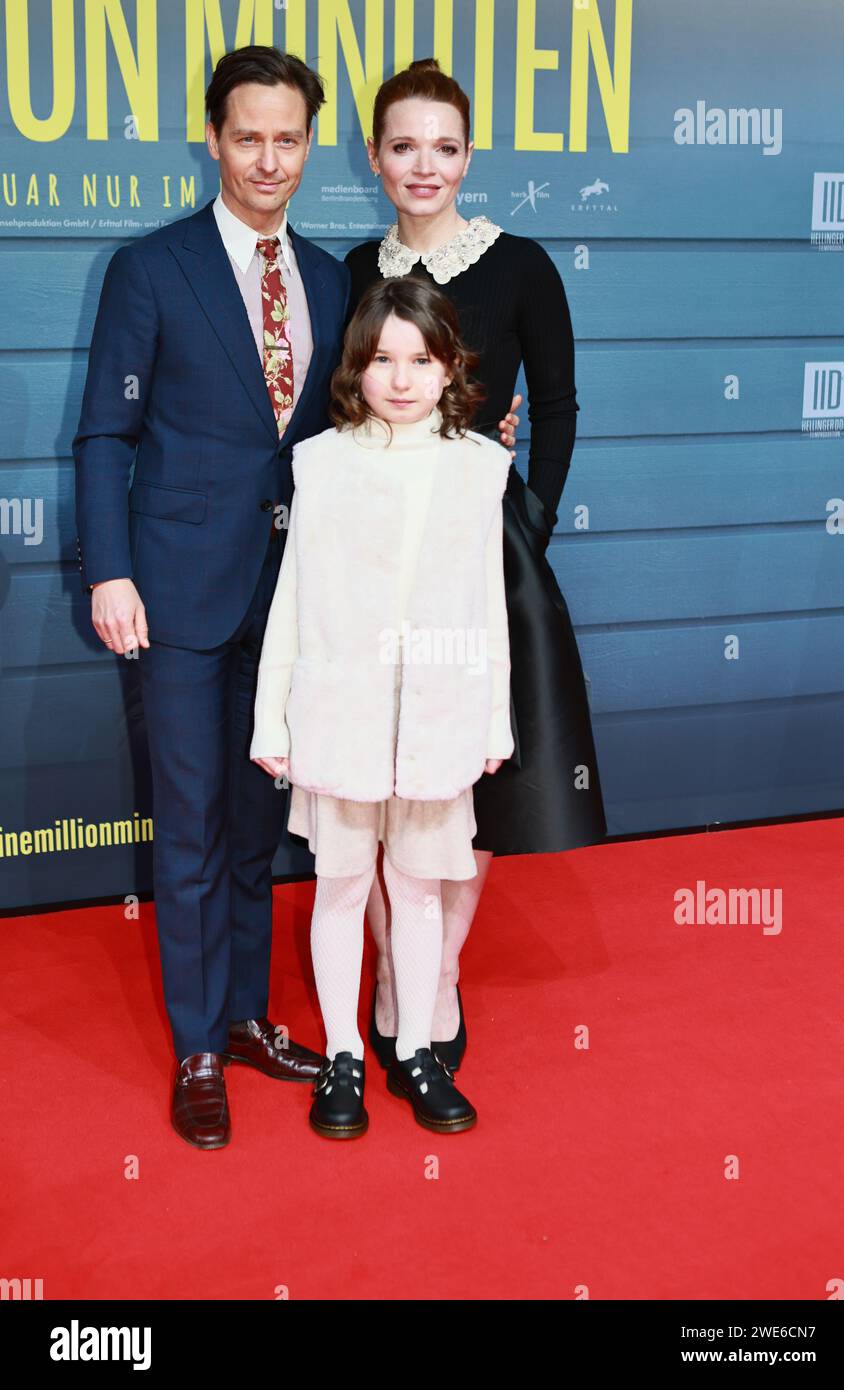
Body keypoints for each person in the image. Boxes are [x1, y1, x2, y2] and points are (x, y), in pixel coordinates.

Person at [71, 46, 347, 1150]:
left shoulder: (330, 277)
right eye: (247, 137)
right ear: (212, 138)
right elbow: (106, 430)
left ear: (306, 143)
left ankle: (242, 1018)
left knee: (251, 827)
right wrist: (110, 567)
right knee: (185, 828)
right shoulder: (151, 268)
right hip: (179, 595)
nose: (267, 159)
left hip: (291, 605)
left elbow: (353, 426)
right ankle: (195, 1043)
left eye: (287, 139)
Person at [343, 59, 608, 1073]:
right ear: (374, 157)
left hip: (482, 559)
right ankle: (383, 968)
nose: (425, 166)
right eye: (403, 147)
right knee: (373, 780)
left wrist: (524, 524)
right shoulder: (348, 275)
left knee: (468, 777)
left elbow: (559, 405)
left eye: (444, 147)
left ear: (467, 156)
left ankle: (440, 969)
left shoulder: (521, 265)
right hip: (370, 563)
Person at [250, 276, 513, 1138]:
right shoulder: (321, 463)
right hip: (341, 712)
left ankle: (413, 1053)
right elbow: (293, 597)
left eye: (421, 360)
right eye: (382, 359)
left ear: (449, 369)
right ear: (356, 366)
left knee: (423, 890)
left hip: (439, 713)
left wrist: (494, 717)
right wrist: (271, 717)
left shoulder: (480, 468)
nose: (400, 379)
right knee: (338, 887)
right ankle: (341, 1057)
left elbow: (489, 604)